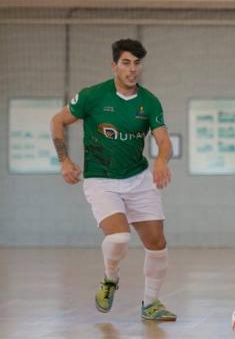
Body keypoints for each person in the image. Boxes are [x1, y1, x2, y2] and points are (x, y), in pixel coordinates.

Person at [50, 39, 176, 321]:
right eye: (126, 63)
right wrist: (64, 160)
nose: (132, 70)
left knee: (157, 243)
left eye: (137, 63)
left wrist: (160, 160)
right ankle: (110, 279)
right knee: (119, 237)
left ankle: (151, 303)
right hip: (101, 180)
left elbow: (164, 140)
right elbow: (57, 121)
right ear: (114, 66)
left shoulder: (149, 101)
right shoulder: (92, 96)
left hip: (139, 179)